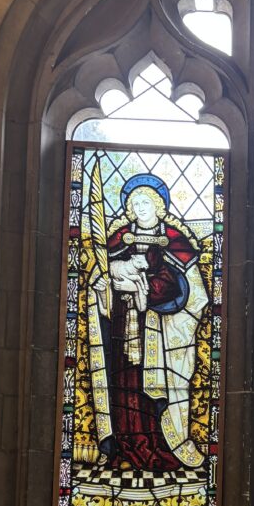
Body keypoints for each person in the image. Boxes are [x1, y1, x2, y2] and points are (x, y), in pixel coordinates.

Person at [92, 173, 208, 471]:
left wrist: (147, 290)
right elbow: (99, 278)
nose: (141, 207)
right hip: (121, 327)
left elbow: (191, 292)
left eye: (147, 201)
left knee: (155, 388)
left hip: (160, 331)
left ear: (159, 205)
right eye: (135, 202)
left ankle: (162, 444)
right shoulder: (118, 240)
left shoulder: (175, 241)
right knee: (124, 386)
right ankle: (125, 446)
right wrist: (108, 284)